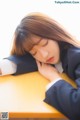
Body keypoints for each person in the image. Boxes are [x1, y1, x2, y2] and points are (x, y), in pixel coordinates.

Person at [0, 12, 80, 120]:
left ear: (55, 34)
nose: (44, 55)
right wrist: (4, 66)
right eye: (34, 53)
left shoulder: (76, 56)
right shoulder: (60, 52)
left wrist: (54, 77)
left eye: (45, 43)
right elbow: (29, 59)